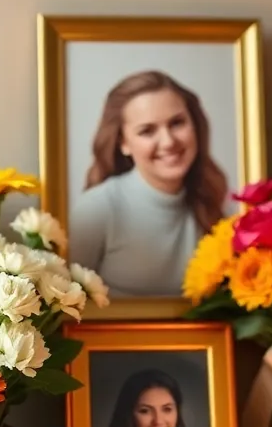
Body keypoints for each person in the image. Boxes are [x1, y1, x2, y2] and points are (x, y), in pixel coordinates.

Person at [70, 70, 229, 298]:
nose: (168, 141)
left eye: (177, 123)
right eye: (147, 131)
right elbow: (65, 306)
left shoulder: (221, 204)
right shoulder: (96, 209)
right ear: (123, 143)